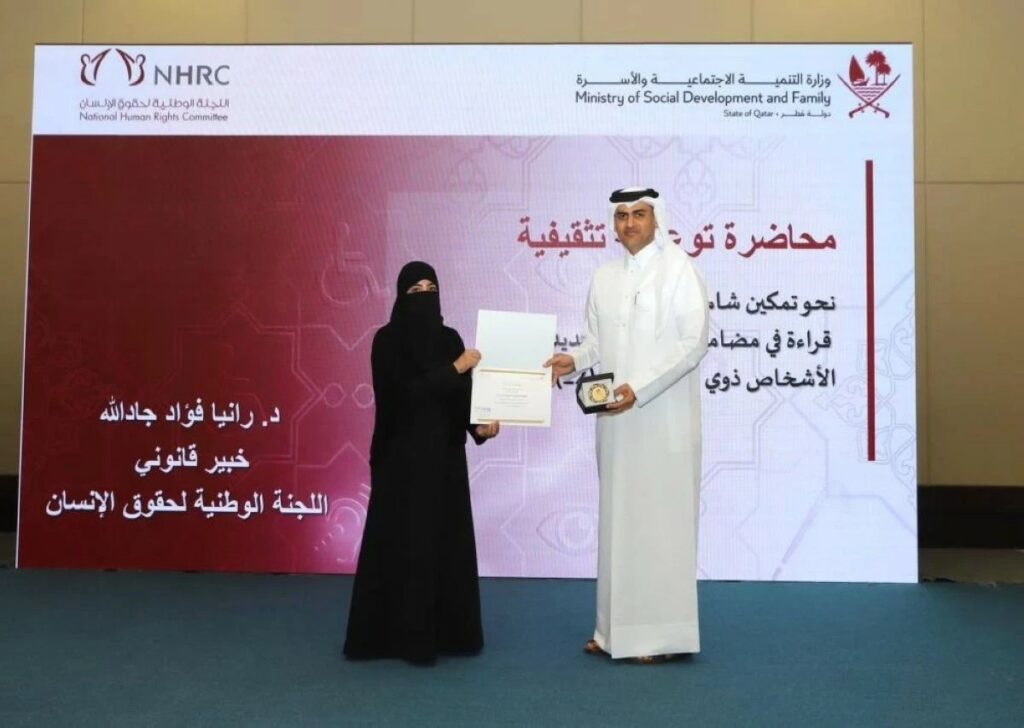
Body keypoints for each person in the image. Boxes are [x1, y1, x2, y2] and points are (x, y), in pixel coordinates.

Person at [545, 187, 709, 663]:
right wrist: (573, 360)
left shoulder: (680, 270)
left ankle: (659, 637)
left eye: (639, 214)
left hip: (662, 419)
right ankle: (612, 632)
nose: (630, 223)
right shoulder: (604, 277)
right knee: (619, 523)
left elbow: (694, 343)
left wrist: (640, 387)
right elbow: (597, 343)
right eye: (621, 215)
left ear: (657, 219)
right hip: (615, 421)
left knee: (659, 525)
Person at [344, 261, 500, 664]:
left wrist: (479, 427)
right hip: (400, 462)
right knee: (405, 543)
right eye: (416, 290)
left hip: (445, 460)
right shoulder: (386, 341)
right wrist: (455, 368)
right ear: (401, 296)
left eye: (432, 288)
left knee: (444, 542)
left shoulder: (450, 338)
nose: (425, 297)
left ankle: (450, 635)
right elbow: (403, 396)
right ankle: (397, 638)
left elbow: (460, 398)